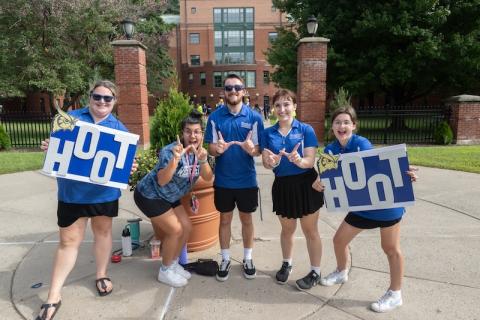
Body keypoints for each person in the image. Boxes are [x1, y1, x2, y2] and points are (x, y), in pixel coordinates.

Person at [37, 80, 137, 320]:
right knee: (68, 241)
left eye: (107, 98)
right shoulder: (69, 118)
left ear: (115, 101)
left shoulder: (120, 130)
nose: (101, 101)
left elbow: (122, 163)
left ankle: (101, 274)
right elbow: (58, 151)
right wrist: (50, 148)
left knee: (103, 233)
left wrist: (128, 167)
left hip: (104, 194)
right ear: (90, 96)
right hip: (72, 193)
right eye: (97, 96)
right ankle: (53, 295)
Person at [312, 105, 418, 312]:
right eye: (337, 122)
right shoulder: (330, 151)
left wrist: (404, 174)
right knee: (339, 240)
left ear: (354, 126)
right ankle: (342, 271)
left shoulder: (362, 144)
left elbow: (378, 168)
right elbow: (326, 177)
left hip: (385, 205)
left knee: (390, 248)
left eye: (346, 122)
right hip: (362, 207)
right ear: (332, 126)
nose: (341, 126)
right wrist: (318, 182)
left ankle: (395, 293)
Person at [134, 110, 213, 287]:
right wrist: (175, 160)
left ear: (202, 134)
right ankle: (165, 270)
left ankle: (173, 263)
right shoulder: (170, 151)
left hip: (170, 196)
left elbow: (208, 178)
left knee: (186, 226)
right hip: (150, 195)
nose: (192, 136)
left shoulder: (200, 153)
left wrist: (203, 161)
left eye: (196, 131)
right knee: (175, 230)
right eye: (188, 131)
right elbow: (162, 180)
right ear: (182, 133)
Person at [260, 89, 324, 290]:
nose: (282, 109)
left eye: (287, 104)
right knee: (287, 230)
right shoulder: (267, 133)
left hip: (307, 184)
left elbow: (310, 160)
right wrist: (270, 162)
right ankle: (287, 263)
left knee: (310, 231)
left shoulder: (306, 130)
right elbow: (266, 162)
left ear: (295, 107)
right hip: (283, 186)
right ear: (273, 109)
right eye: (278, 105)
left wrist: (299, 160)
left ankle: (315, 271)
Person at [205, 74, 265, 281]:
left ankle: (248, 258)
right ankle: (225, 258)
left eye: (237, 87)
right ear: (223, 92)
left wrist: (252, 149)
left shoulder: (255, 118)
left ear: (244, 91)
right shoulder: (214, 117)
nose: (233, 91)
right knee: (224, 220)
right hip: (223, 181)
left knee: (247, 220)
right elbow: (211, 147)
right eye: (228, 88)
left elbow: (259, 149)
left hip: (246, 180)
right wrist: (217, 149)